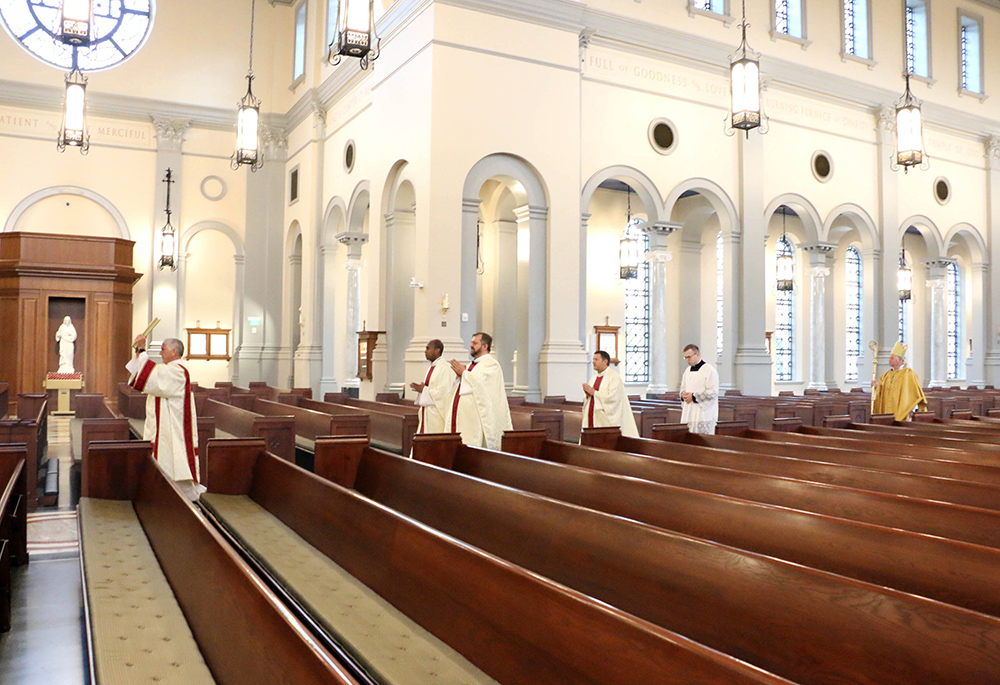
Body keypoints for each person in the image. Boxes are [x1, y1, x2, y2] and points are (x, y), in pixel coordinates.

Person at [126, 334, 201, 499]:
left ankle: (182, 496)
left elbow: (153, 378)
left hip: (173, 427)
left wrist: (143, 350)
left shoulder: (178, 371)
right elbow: (146, 376)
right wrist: (139, 352)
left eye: (162, 349)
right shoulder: (169, 370)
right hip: (165, 424)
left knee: (173, 458)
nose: (160, 353)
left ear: (174, 351)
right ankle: (165, 492)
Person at [448, 332, 512, 450]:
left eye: (475, 343)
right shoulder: (473, 365)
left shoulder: (491, 364)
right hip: (464, 417)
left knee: (472, 446)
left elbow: (482, 383)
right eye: (471, 342)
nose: (471, 345)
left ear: (484, 346)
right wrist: (460, 374)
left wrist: (464, 373)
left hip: (475, 419)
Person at [581, 350, 639, 437]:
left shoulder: (613, 377)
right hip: (592, 417)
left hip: (604, 421)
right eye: (593, 359)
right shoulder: (594, 378)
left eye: (596, 359)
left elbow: (613, 398)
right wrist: (587, 394)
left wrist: (594, 393)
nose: (593, 362)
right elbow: (591, 397)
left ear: (605, 361)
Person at [872, 341, 927, 421]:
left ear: (900, 360)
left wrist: (912, 409)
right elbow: (882, 389)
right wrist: (877, 385)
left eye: (892, 358)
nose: (889, 360)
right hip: (888, 412)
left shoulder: (909, 374)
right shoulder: (886, 375)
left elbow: (915, 394)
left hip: (903, 412)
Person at [410, 338, 454, 435]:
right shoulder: (433, 366)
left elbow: (444, 392)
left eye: (428, 348)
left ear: (437, 350)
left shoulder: (444, 368)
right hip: (428, 414)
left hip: (436, 415)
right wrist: (422, 389)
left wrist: (424, 390)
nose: (425, 351)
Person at [680, 343, 719, 434]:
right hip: (688, 410)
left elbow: (712, 392)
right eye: (685, 357)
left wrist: (693, 397)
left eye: (689, 357)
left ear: (697, 355)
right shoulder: (687, 371)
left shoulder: (709, 370)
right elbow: (683, 387)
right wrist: (683, 394)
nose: (687, 360)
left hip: (703, 413)